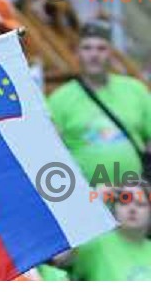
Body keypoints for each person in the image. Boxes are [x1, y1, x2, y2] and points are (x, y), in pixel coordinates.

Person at [48, 20, 151, 187]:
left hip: (134, 196)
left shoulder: (136, 89)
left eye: (101, 48)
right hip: (86, 197)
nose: (94, 54)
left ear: (111, 53)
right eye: (87, 48)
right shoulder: (59, 98)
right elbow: (51, 149)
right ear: (77, 53)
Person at [69, 184, 151, 280]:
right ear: (114, 209)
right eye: (124, 202)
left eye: (140, 204)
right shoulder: (94, 241)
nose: (132, 209)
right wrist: (92, 202)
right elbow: (59, 257)